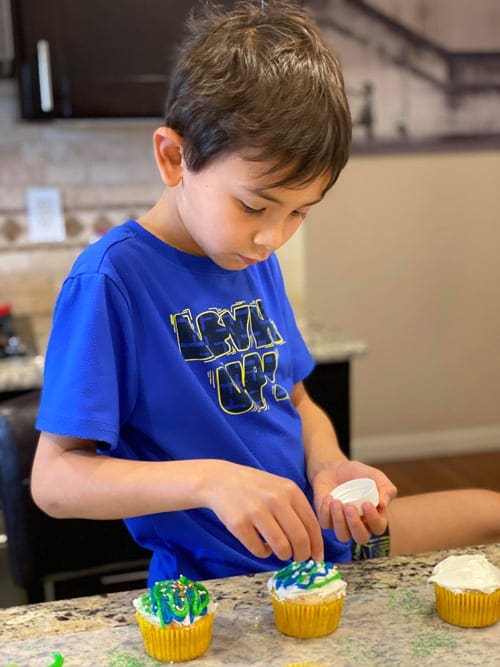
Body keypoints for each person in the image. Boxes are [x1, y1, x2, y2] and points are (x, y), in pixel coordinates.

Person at [31, 0, 400, 586]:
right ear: (174, 158)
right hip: (216, 588)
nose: (272, 237)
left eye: (299, 212)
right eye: (254, 206)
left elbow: (298, 404)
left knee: (486, 510)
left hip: (317, 560)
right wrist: (213, 479)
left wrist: (328, 465)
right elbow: (53, 481)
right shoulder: (111, 281)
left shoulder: (252, 256)